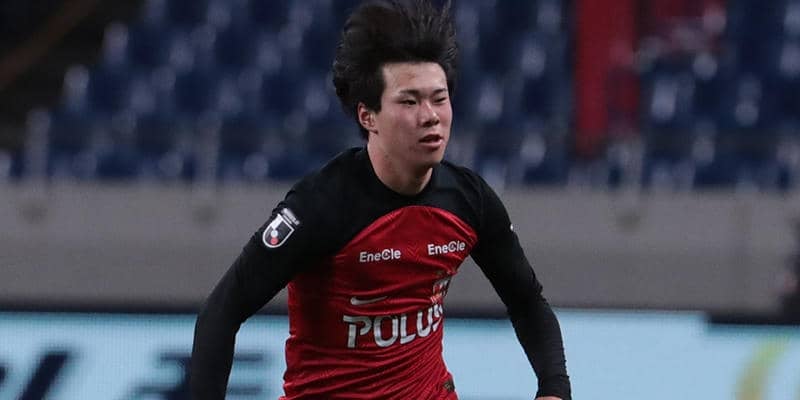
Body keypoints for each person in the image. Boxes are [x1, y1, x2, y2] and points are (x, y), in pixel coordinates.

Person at [189, 0, 571, 399]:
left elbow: (528, 301)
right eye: (409, 101)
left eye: (439, 98)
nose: (430, 116)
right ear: (367, 116)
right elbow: (221, 311)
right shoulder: (320, 205)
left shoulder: (469, 200)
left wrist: (554, 388)